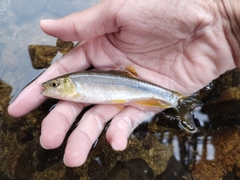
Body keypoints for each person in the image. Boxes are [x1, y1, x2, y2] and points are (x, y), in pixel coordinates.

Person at [8, 0, 239, 167]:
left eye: (56, 85)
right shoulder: (74, 86)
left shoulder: (76, 84)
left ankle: (176, 100)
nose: (50, 88)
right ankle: (177, 100)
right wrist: (224, 15)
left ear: (68, 84)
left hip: (135, 87)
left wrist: (224, 16)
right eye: (54, 86)